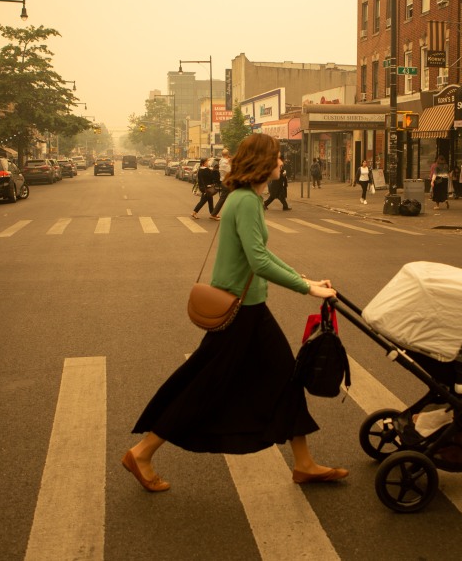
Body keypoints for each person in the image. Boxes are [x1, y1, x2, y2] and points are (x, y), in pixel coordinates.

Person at [123, 133, 344, 493]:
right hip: (240, 312)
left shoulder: (248, 200)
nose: (282, 163)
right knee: (205, 383)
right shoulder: (245, 202)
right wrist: (307, 288)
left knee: (285, 377)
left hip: (251, 309)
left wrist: (305, 278)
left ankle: (303, 463)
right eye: (277, 158)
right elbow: (257, 259)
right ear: (263, 162)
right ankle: (143, 451)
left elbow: (260, 256)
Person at [210, 148, 233, 220]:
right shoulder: (224, 162)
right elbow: (229, 171)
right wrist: (230, 163)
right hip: (227, 182)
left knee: (228, 198)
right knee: (224, 198)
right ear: (228, 154)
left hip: (226, 181)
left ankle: (215, 213)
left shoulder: (222, 161)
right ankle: (214, 214)